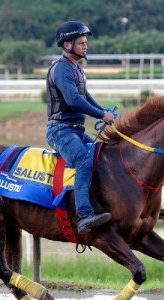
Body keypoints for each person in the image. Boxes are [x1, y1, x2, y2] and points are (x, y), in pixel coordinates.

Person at [46, 21, 115, 234]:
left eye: (86, 42)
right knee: (85, 160)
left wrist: (104, 112)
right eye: (81, 43)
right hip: (60, 131)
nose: (86, 46)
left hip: (77, 130)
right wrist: (102, 114)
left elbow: (87, 97)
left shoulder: (77, 69)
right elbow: (74, 100)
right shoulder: (61, 69)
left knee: (104, 153)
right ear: (67, 45)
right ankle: (84, 214)